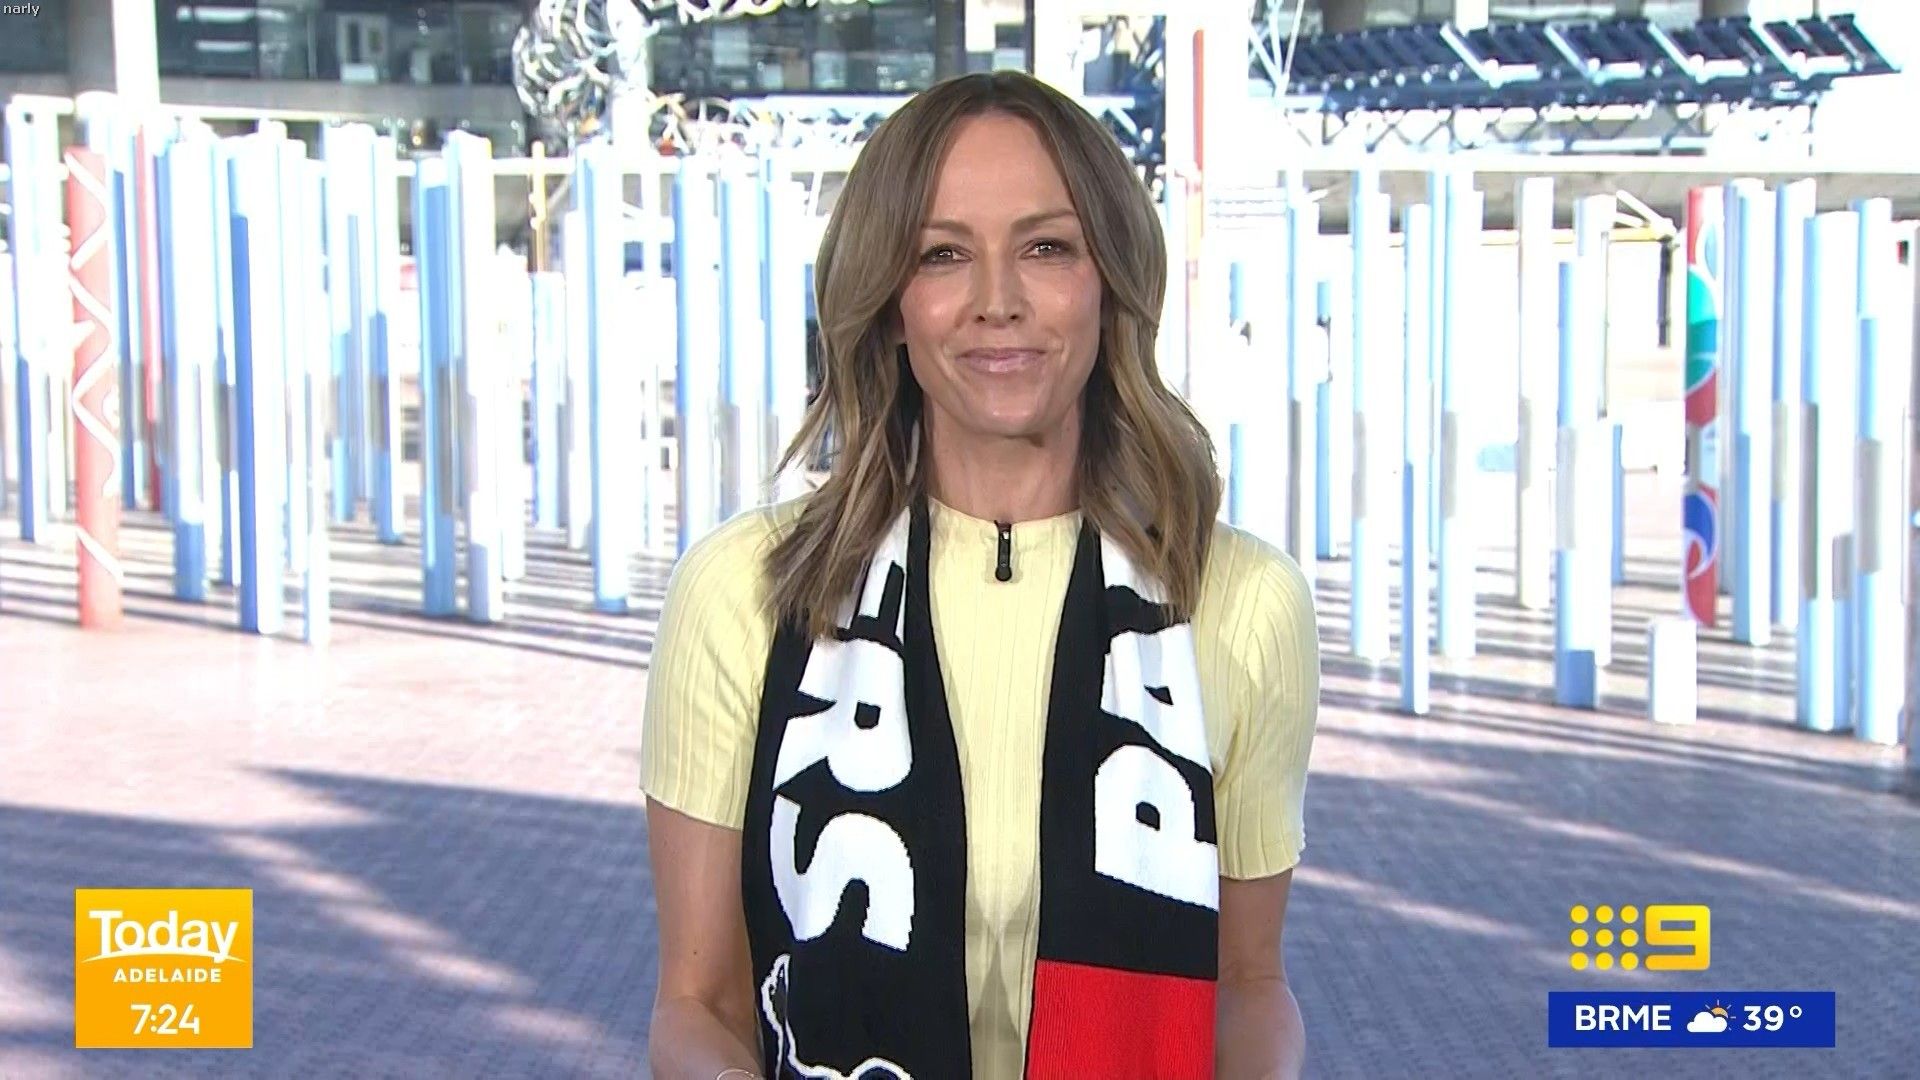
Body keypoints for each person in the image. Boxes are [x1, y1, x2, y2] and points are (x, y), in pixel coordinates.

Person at [642, 70, 1320, 1080]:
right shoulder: (744, 590)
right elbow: (697, 1006)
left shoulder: (1243, 601)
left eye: (1046, 248)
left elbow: (1248, 981)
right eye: (943, 254)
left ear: (1109, 281)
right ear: (890, 302)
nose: (998, 302)